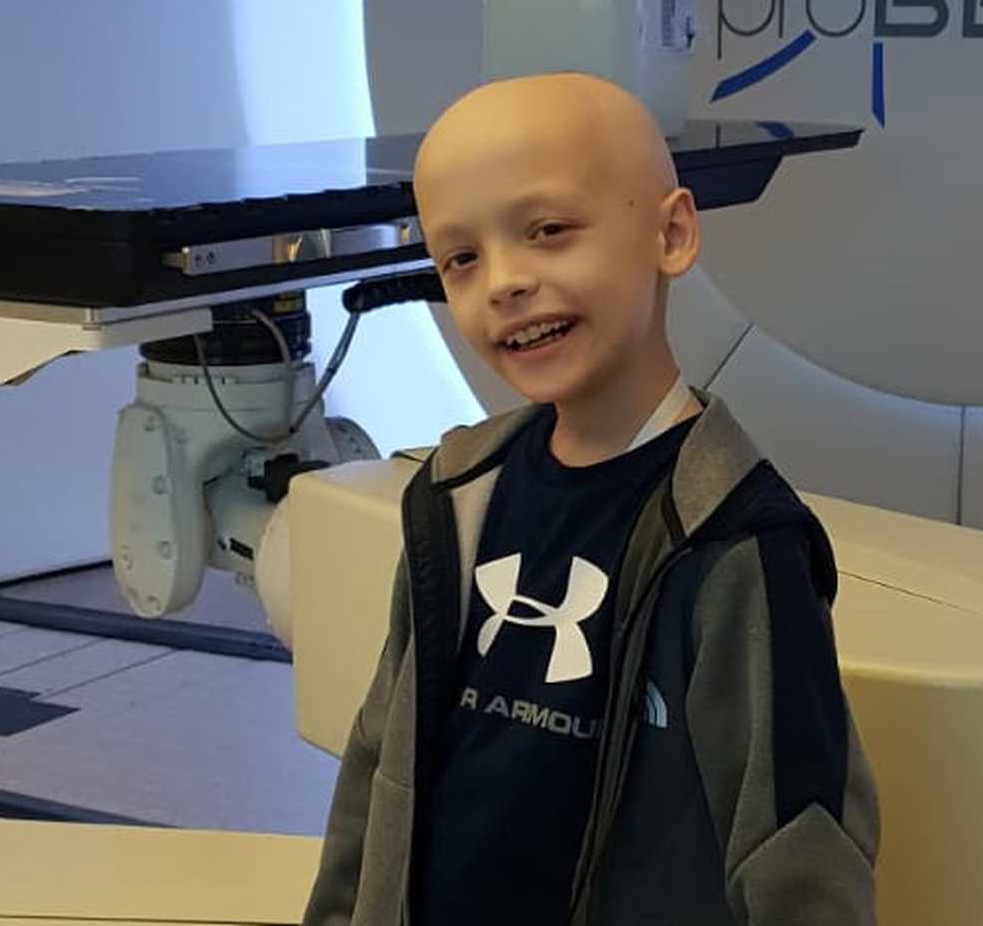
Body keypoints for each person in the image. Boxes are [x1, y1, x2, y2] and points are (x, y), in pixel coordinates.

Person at [302, 72, 880, 926]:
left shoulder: (734, 543)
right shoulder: (454, 498)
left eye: (547, 231)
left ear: (672, 234)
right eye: (461, 257)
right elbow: (378, 763)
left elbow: (796, 849)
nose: (502, 281)